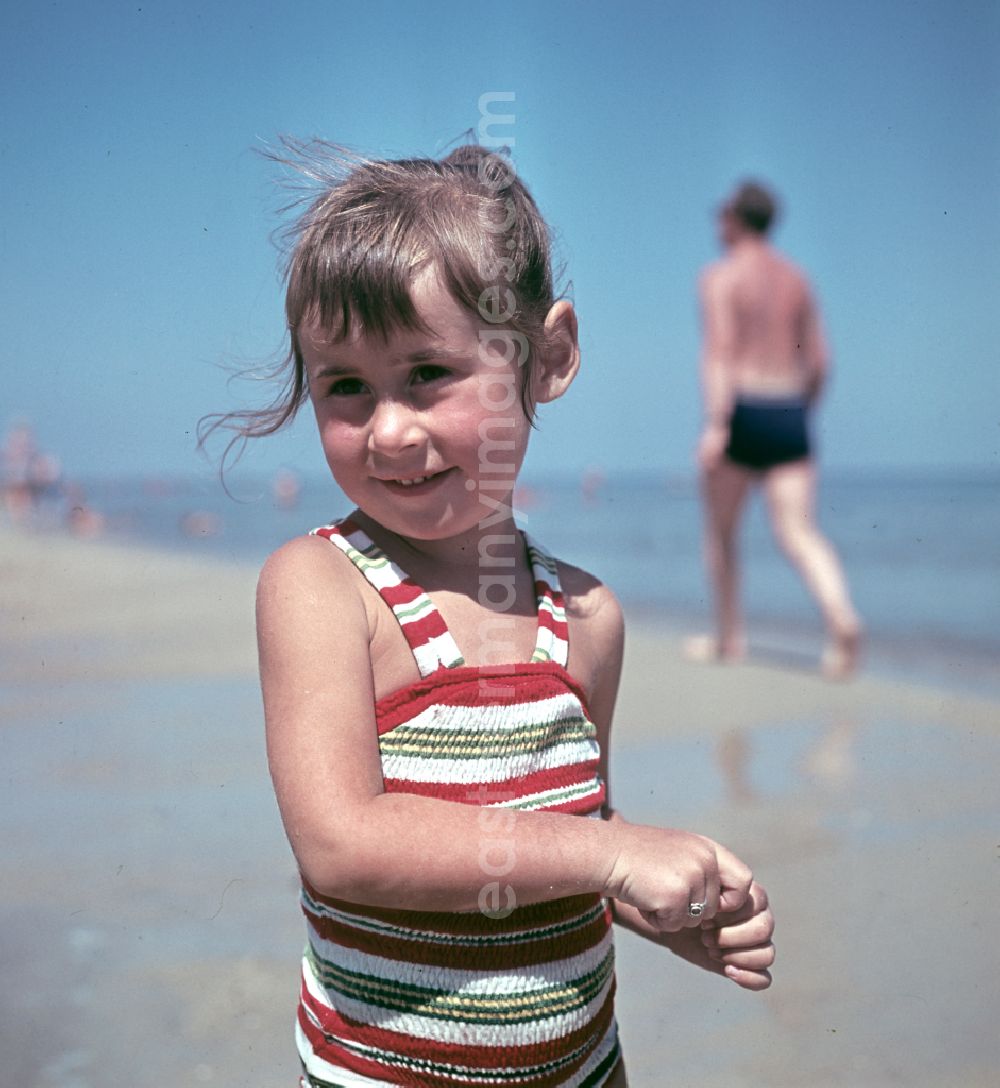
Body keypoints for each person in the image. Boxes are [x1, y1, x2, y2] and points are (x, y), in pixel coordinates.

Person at [203, 141, 775, 1087]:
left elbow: (572, 827)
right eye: (344, 385)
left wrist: (659, 903)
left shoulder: (587, 619)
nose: (388, 429)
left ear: (546, 357)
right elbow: (342, 842)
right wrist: (613, 853)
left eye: (427, 372)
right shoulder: (322, 587)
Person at [692, 180, 862, 678]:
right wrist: (801, 411)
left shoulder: (720, 277)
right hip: (789, 410)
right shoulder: (798, 278)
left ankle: (729, 638)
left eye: (721, 215)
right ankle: (841, 617)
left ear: (736, 219)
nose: (717, 225)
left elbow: (719, 351)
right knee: (799, 532)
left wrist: (717, 425)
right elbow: (822, 361)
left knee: (722, 533)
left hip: (743, 407)